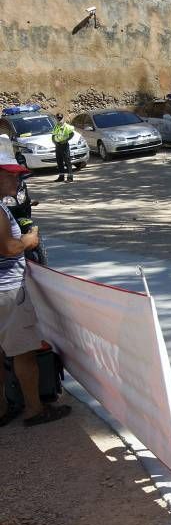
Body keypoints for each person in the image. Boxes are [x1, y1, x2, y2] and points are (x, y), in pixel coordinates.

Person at [0, 149, 72, 427]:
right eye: (12, 177)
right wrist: (29, 241)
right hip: (8, 291)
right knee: (23, 354)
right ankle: (35, 409)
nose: (17, 183)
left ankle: (3, 409)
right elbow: (8, 248)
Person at [51, 113, 76, 183]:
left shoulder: (66, 126)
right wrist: (54, 142)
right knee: (59, 162)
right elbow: (53, 135)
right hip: (58, 145)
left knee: (67, 162)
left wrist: (65, 140)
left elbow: (72, 134)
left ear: (63, 118)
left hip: (64, 145)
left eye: (60, 118)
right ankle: (61, 177)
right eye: (58, 118)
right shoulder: (56, 126)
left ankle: (70, 178)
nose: (59, 119)